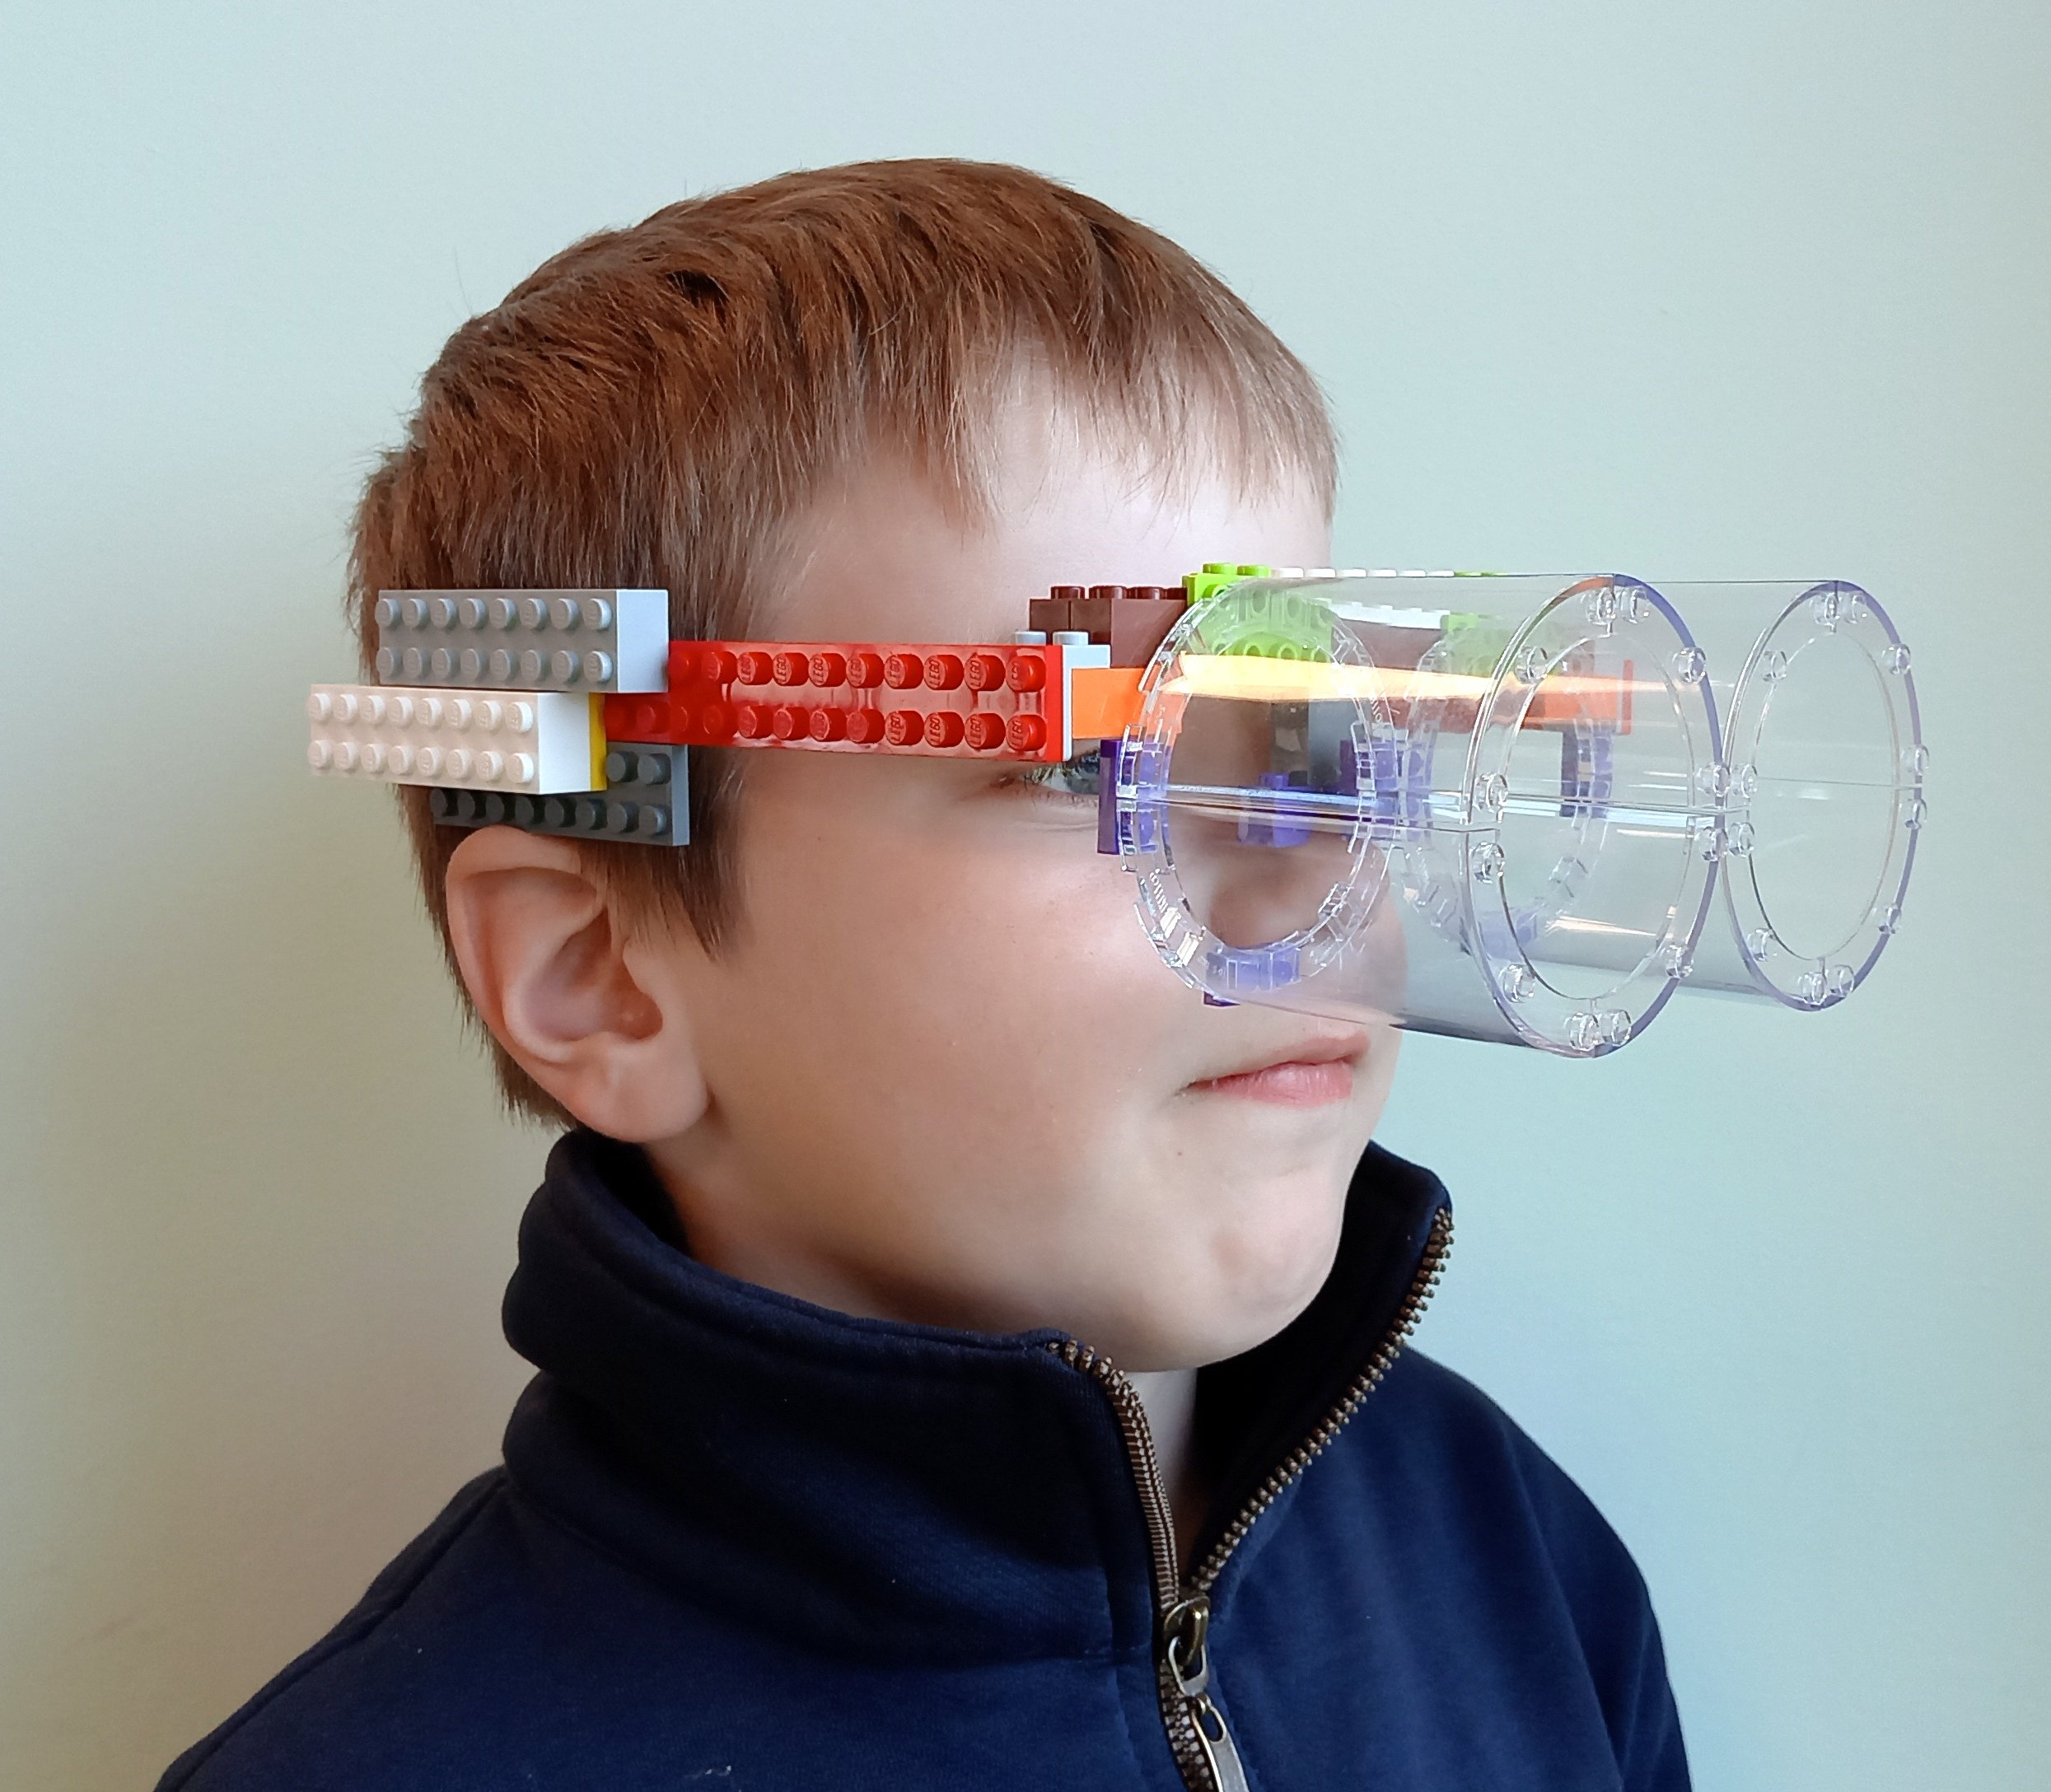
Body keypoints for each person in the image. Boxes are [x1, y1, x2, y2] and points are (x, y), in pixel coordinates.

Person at [157, 158, 1689, 1791]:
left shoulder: (1509, 1555)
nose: (1315, 865)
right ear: (601, 975)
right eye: (1084, 759)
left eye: (1314, 736)